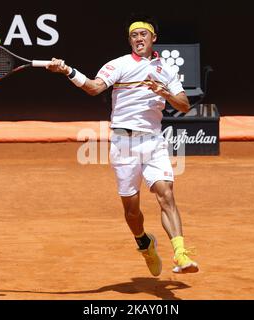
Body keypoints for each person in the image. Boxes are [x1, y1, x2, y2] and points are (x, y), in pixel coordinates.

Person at [46, 14, 199, 275]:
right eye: (134, 35)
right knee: (131, 210)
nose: (139, 39)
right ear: (130, 41)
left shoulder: (168, 70)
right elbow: (94, 88)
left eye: (143, 34)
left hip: (153, 141)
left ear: (154, 38)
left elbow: (184, 105)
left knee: (166, 195)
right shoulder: (119, 64)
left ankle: (181, 254)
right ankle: (144, 243)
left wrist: (164, 92)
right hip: (123, 144)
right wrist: (68, 71)